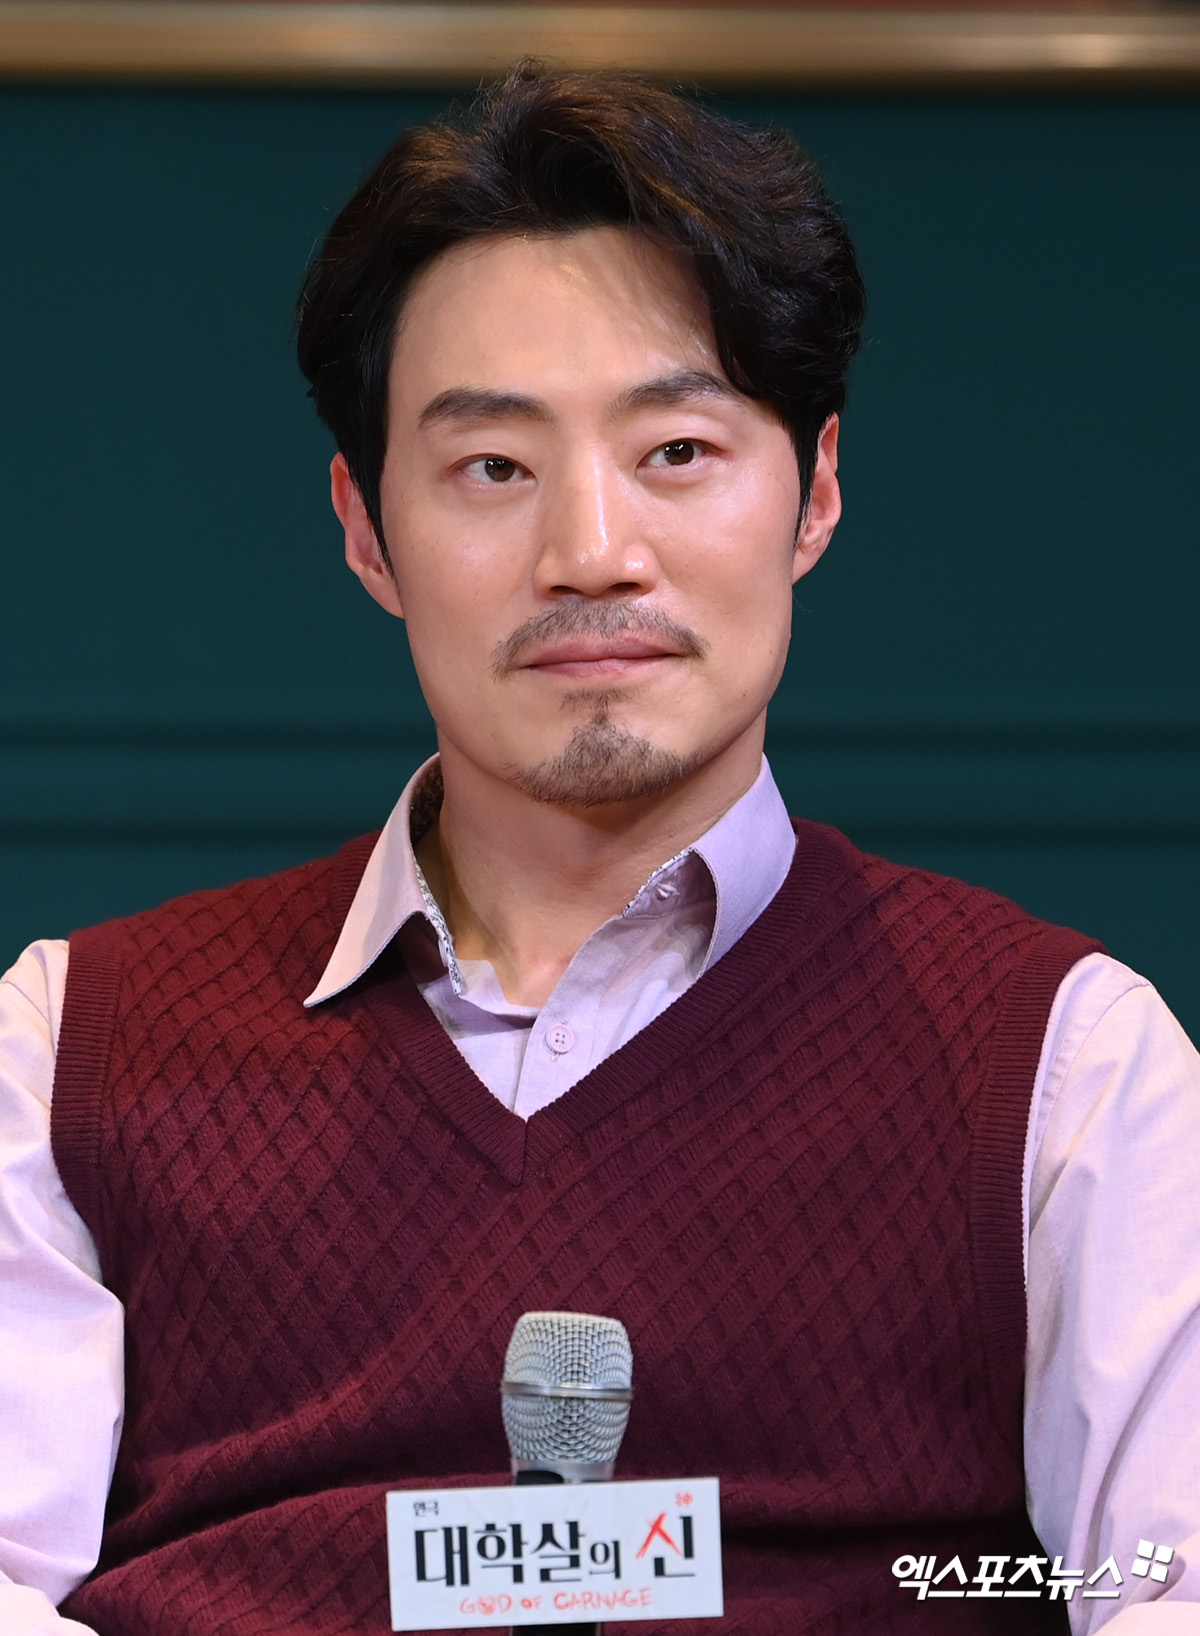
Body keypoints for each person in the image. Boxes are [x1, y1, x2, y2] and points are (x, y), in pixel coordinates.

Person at [1, 63, 1198, 1636]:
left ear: (815, 496)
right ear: (366, 531)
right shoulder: (67, 1048)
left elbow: (1160, 1591)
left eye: (677, 452)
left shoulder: (1069, 1067)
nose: (591, 552)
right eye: (493, 468)